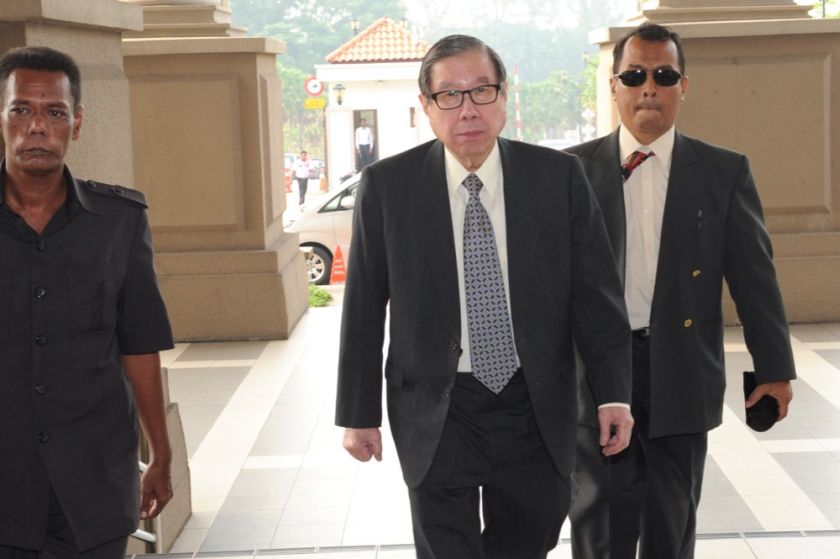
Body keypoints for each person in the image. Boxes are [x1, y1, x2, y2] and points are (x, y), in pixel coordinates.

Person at [335, 34, 634, 559]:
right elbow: (362, 308)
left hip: (533, 402)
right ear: (426, 106)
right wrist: (358, 413)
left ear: (504, 97)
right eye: (449, 95)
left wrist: (613, 393)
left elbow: (596, 297)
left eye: (482, 91)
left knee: (528, 540)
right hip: (436, 404)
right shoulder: (388, 186)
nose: (467, 108)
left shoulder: (558, 178)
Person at [565, 22, 796, 559]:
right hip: (598, 375)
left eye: (664, 75)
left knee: (671, 525)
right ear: (615, 85)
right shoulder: (570, 171)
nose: (650, 86)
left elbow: (754, 279)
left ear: (683, 86)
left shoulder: (722, 172)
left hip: (682, 372)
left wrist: (775, 372)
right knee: (600, 528)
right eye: (636, 74)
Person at [0, 46, 174, 558]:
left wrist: (161, 453)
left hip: (93, 483)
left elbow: (139, 345)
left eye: (54, 112)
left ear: (76, 124)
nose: (37, 127)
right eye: (21, 110)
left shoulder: (119, 222)